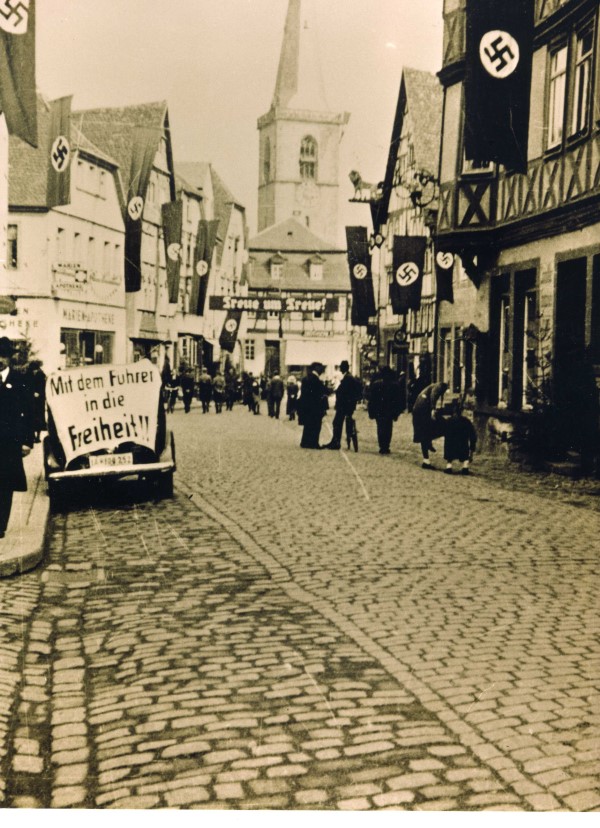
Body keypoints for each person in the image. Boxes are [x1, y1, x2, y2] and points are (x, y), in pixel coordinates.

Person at [0, 337, 33, 539]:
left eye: (3, 356)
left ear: (10, 359)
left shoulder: (20, 380)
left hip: (9, 443)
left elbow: (28, 412)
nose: (0, 360)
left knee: (5, 484)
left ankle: (0, 525)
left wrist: (27, 441)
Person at [323, 360, 362, 450]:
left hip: (344, 406)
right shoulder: (349, 377)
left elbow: (343, 391)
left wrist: (335, 392)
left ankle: (336, 442)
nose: (340, 368)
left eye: (341, 366)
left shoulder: (347, 378)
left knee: (336, 422)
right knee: (337, 423)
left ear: (344, 367)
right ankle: (335, 441)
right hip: (347, 405)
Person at [367, 367, 405, 454]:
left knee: (380, 427)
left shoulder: (377, 384)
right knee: (388, 428)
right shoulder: (394, 385)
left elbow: (372, 399)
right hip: (389, 411)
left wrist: (371, 411)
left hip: (379, 411)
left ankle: (382, 446)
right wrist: (397, 413)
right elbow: (398, 400)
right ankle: (386, 446)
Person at [412, 381, 449, 469]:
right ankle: (426, 460)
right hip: (422, 411)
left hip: (419, 410)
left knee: (425, 432)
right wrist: (433, 409)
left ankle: (428, 447)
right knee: (426, 433)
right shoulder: (438, 387)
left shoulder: (431, 387)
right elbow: (433, 395)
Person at [297, 362, 328, 449]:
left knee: (308, 425)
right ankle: (314, 443)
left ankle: (305, 442)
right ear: (316, 368)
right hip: (315, 406)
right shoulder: (315, 380)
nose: (322, 369)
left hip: (307, 406)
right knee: (316, 425)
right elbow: (320, 392)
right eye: (321, 367)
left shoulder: (306, 378)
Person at [443, 400, 477, 475]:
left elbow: (444, 433)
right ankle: (465, 466)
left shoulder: (449, 421)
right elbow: (473, 436)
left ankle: (449, 466)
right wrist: (471, 452)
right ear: (462, 412)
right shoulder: (466, 422)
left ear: (453, 411)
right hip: (462, 447)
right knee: (464, 448)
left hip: (451, 448)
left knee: (448, 442)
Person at [26, 359, 46, 442]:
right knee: (32, 417)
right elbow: (27, 385)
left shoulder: (41, 374)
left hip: (39, 400)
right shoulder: (29, 374)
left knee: (39, 417)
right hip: (32, 399)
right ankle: (34, 436)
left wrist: (39, 393)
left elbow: (43, 386)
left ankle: (37, 436)